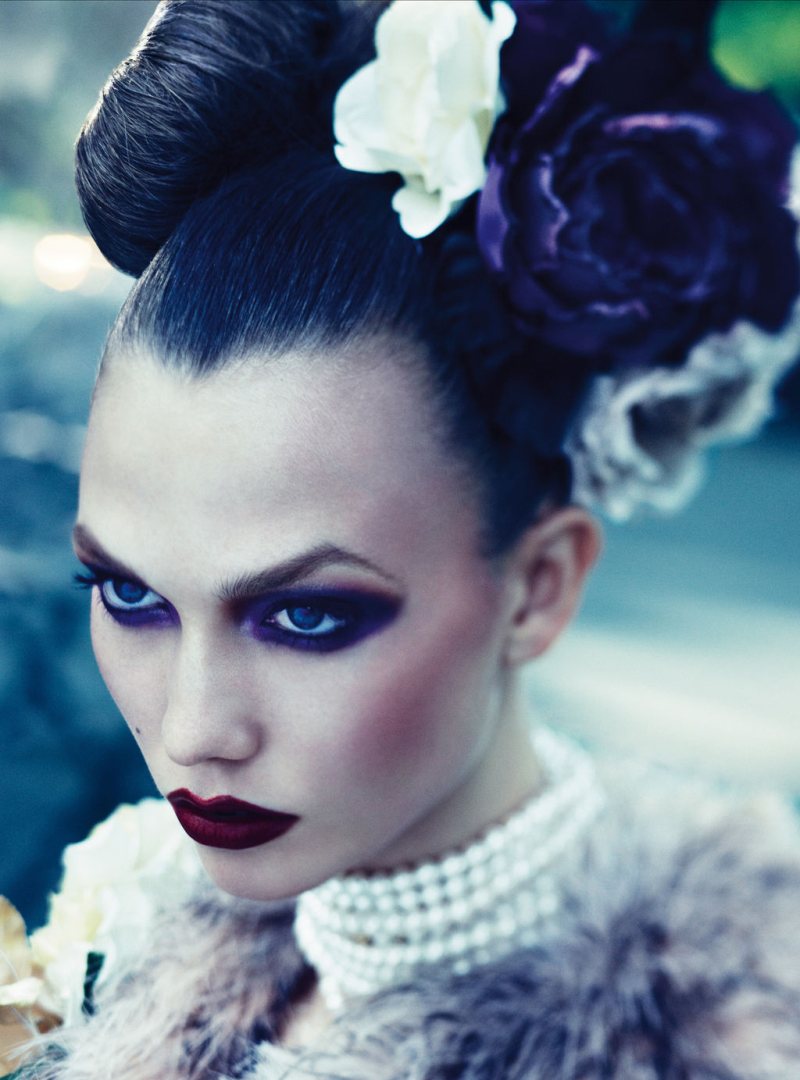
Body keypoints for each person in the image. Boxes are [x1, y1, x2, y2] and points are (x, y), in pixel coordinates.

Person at [2, 0, 800, 1076]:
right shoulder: (131, 926)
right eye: (130, 595)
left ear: (539, 586)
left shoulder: (725, 1034)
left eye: (305, 615)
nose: (193, 732)